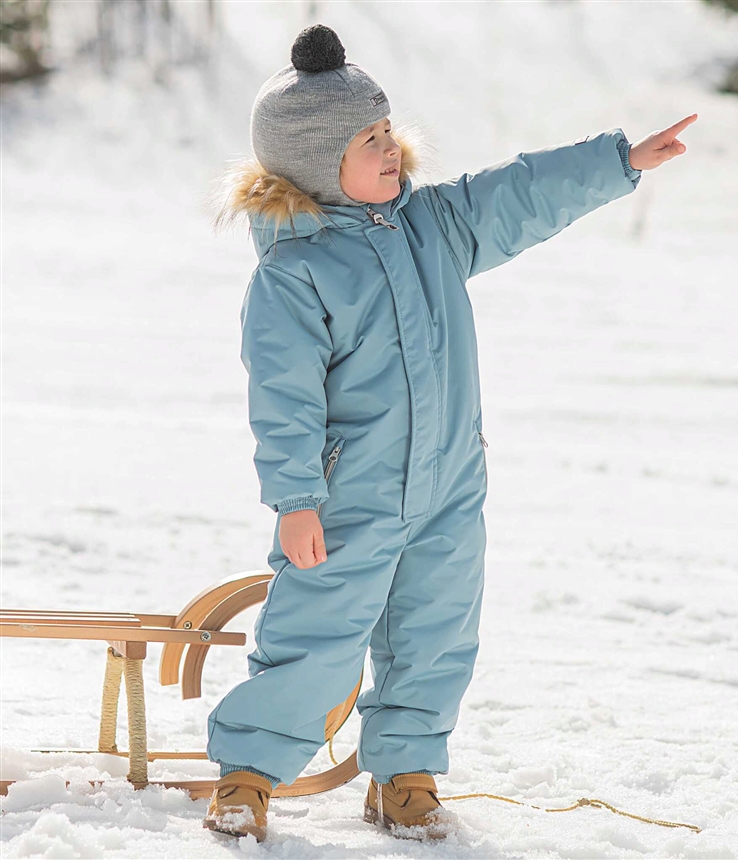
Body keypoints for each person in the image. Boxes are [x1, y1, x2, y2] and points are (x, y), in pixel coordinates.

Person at [202, 22, 697, 844]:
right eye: (369, 141)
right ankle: (249, 775)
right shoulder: (295, 276)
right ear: (320, 163)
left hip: (448, 481)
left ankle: (405, 776)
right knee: (316, 637)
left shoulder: (433, 226)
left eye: (389, 130)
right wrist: (294, 499)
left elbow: (516, 194)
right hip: (348, 490)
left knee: (435, 630)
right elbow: (283, 401)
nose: (391, 149)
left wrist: (620, 163)